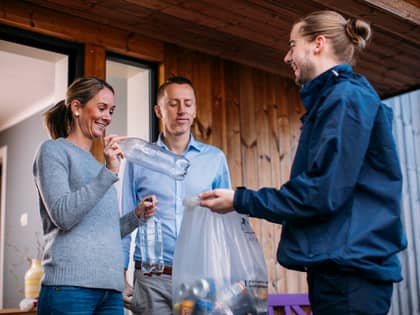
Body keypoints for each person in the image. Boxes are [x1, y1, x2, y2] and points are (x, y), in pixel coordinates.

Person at [200, 10, 407, 315]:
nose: (287, 57)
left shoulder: (345, 99)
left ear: (318, 44)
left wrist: (240, 199)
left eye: (292, 45)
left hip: (349, 274)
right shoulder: (339, 98)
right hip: (342, 268)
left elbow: (320, 192)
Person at [33, 77, 157, 315]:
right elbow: (63, 215)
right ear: (77, 107)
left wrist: (137, 216)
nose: (107, 117)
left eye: (111, 110)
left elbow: (102, 230)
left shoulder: (97, 165)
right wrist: (108, 173)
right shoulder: (53, 151)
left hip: (110, 291)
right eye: (101, 108)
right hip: (70, 289)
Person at [121, 76, 231, 314]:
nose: (182, 110)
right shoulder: (137, 159)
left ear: (194, 110)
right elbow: (124, 222)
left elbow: (225, 223)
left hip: (201, 275)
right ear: (158, 110)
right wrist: (119, 274)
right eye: (173, 103)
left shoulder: (215, 159)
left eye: (188, 103)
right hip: (152, 278)